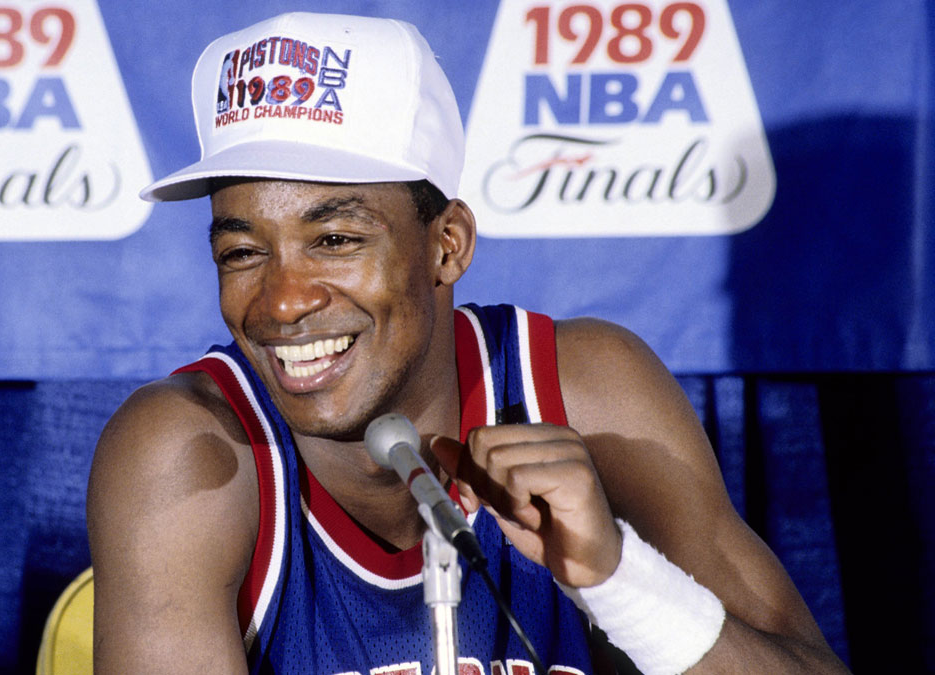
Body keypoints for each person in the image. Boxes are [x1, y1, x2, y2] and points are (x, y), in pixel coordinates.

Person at [87, 11, 848, 674]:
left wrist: (622, 581)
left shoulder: (582, 391)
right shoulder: (184, 454)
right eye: (242, 252)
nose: (283, 300)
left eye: (337, 238)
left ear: (447, 244)